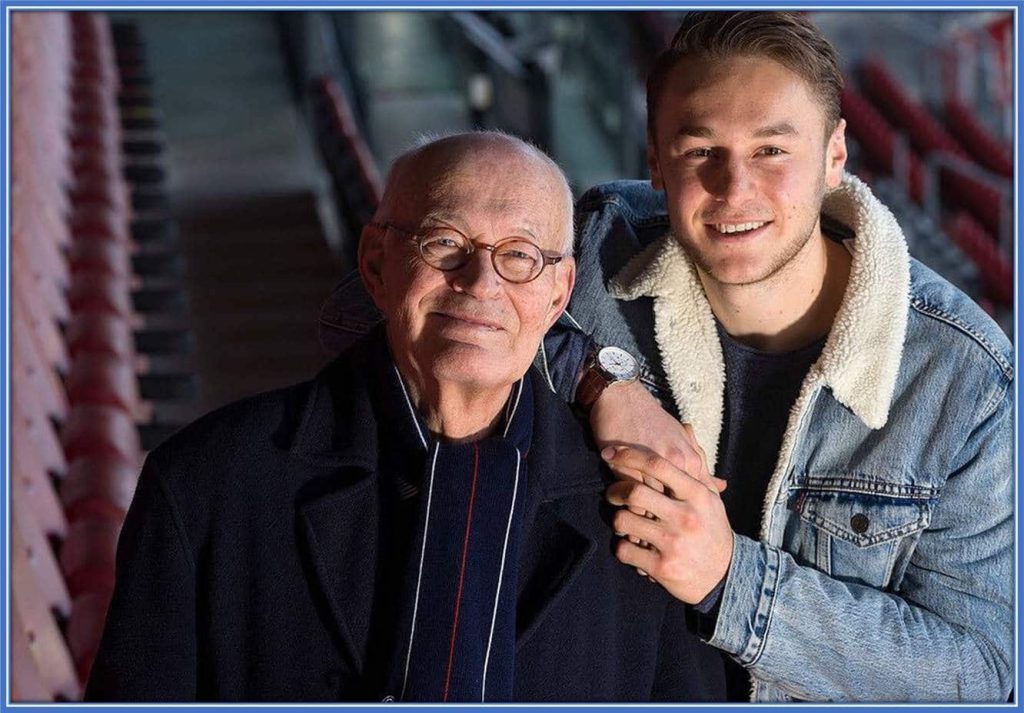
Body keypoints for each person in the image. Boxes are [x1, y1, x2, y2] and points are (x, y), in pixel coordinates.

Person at [84, 132, 726, 702]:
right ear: (376, 264)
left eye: (520, 256)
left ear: (558, 293)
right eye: (444, 243)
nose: (480, 282)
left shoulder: (641, 512)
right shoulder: (206, 482)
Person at [546, 11, 1013, 703]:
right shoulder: (598, 256)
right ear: (655, 160)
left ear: (834, 156)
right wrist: (599, 382)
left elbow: (981, 672)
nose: (734, 188)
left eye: (771, 150)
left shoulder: (964, 378)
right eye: (700, 149)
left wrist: (732, 583)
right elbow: (421, 306)